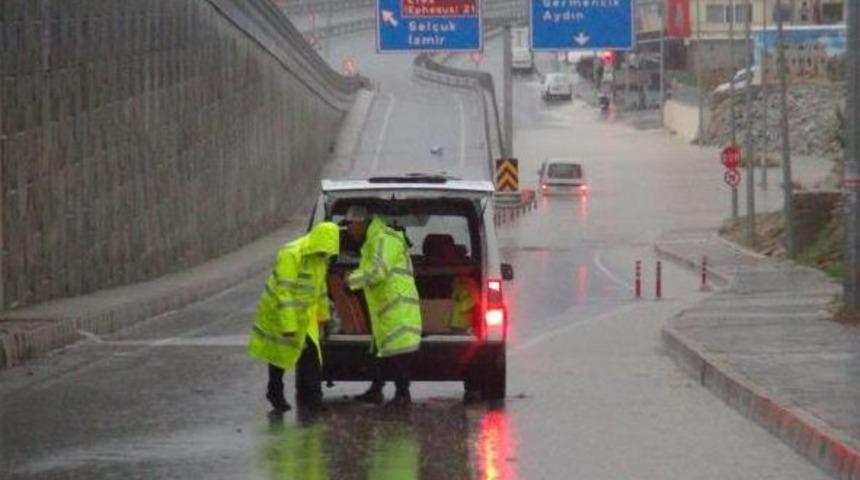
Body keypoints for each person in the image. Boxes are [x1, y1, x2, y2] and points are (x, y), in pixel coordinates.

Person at [248, 221, 340, 415]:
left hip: (306, 316)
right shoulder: (291, 254)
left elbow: (320, 290)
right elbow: (284, 291)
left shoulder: (321, 257)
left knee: (311, 356)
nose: (325, 256)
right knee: (279, 355)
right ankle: (275, 392)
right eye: (323, 252)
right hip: (280, 312)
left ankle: (313, 399)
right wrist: (288, 325)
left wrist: (324, 317)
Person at [344, 206, 422, 408]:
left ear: (361, 222)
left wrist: (352, 280)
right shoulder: (372, 242)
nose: (349, 230)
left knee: (397, 353)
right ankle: (376, 390)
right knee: (380, 351)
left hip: (396, 307)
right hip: (386, 308)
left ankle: (403, 395)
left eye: (351, 224)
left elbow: (378, 272)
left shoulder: (383, 240)